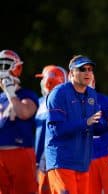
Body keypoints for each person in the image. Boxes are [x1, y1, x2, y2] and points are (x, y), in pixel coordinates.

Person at [45, 55, 107, 194]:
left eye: (90, 69)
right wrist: (86, 122)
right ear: (71, 73)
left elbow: (93, 127)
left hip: (83, 163)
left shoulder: (91, 94)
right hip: (61, 161)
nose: (87, 72)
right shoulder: (58, 93)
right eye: (82, 69)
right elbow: (56, 129)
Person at [0, 49, 39, 194]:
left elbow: (24, 113)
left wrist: (11, 93)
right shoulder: (0, 97)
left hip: (20, 151)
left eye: (4, 65)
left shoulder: (27, 94)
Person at [35, 65, 68, 194]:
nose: (42, 83)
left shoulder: (46, 102)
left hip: (51, 157)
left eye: (44, 79)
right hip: (49, 157)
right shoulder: (41, 101)